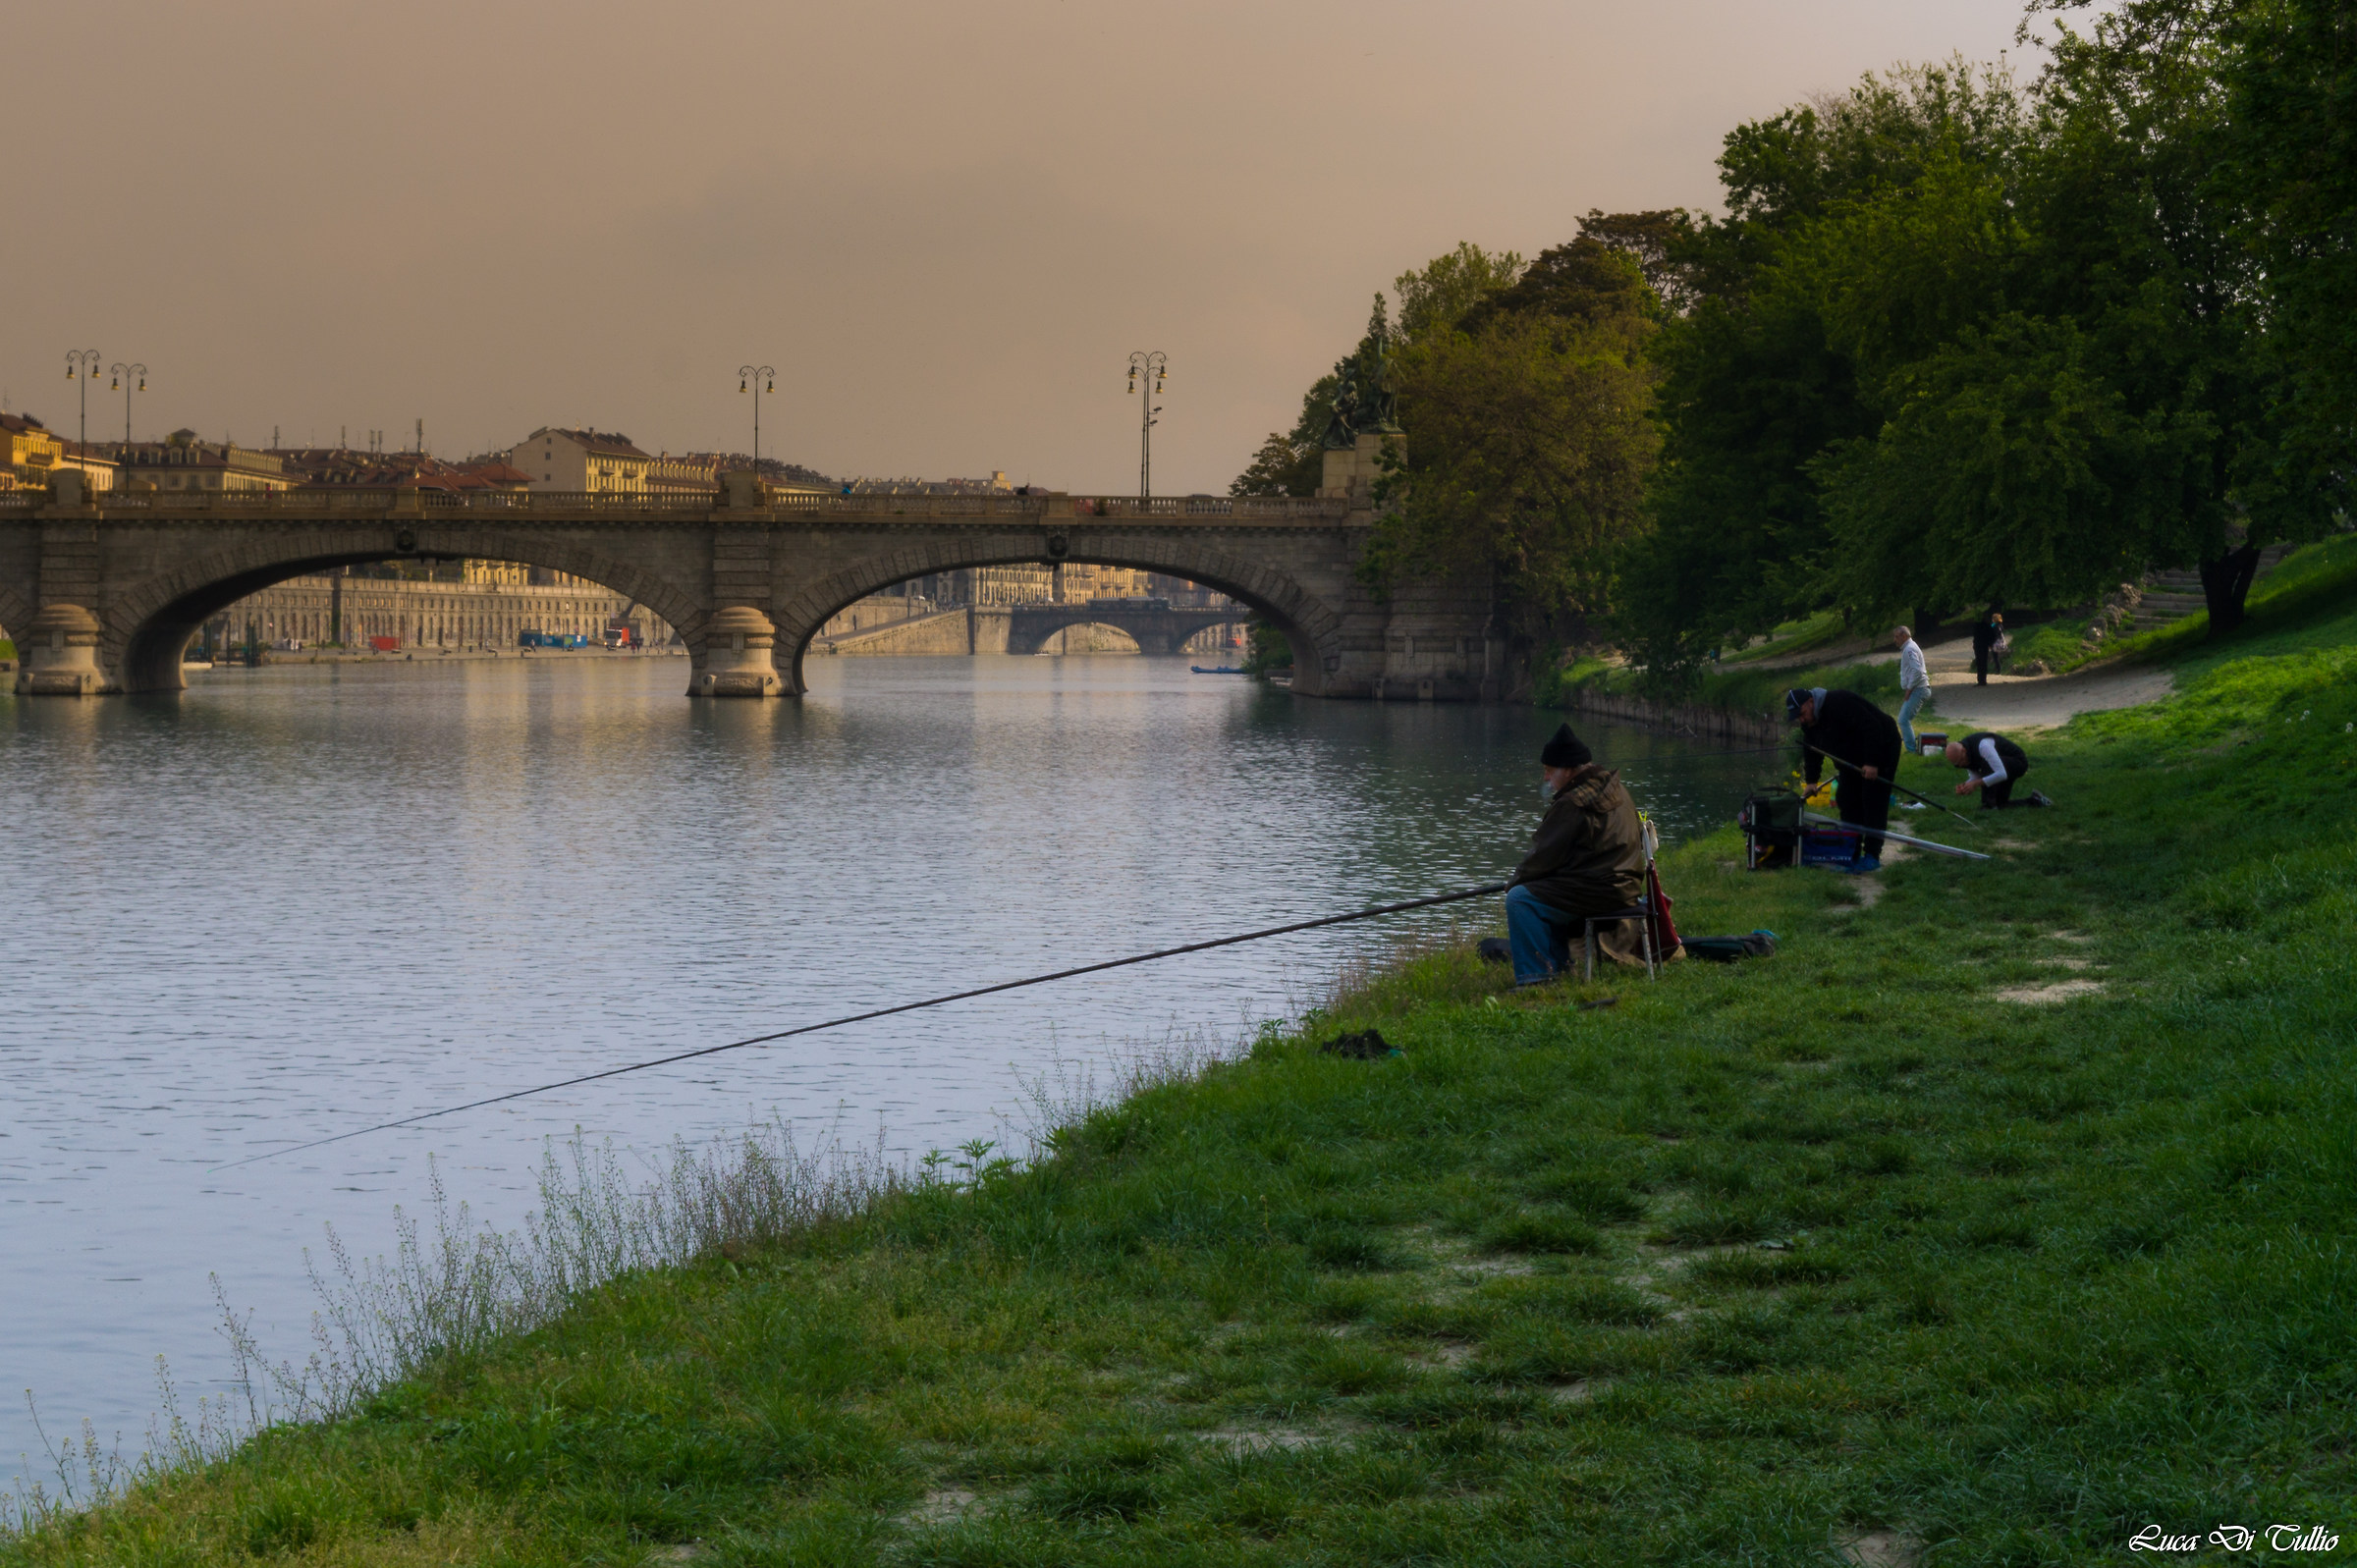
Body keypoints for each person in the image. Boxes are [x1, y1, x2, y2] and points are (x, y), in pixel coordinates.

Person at [1503, 724, 1648, 986]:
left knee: (1520, 899)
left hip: (1600, 891)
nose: (1546, 778)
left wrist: (1514, 882)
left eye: (1549, 771)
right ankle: (1559, 968)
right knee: (1546, 890)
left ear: (1568, 770)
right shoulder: (1616, 788)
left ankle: (1535, 978)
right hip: (1627, 888)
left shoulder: (1573, 803)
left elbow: (1540, 857)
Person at [1786, 686, 1902, 873]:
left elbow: (1872, 727)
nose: (1801, 719)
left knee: (1872, 799)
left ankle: (1872, 854)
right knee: (1847, 799)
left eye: (1802, 714)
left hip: (1883, 745)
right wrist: (1811, 781)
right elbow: (1812, 750)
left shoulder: (1840, 702)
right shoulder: (1809, 723)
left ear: (1810, 702)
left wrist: (1872, 763)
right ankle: (1851, 851)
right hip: (1850, 758)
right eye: (1797, 717)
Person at [1946, 731, 2051, 808]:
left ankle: (1988, 804)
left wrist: (1976, 784)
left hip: (2017, 762)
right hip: (2001, 766)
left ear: (1963, 750)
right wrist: (1966, 786)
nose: (1962, 765)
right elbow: (1975, 776)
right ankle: (2035, 801)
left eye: (1961, 761)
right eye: (1957, 765)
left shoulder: (1983, 746)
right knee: (2001, 804)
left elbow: (2001, 774)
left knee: (1987, 764)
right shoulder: (1965, 755)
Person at [1893, 624, 1931, 754]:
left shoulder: (1909, 650)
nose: (1895, 640)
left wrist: (1909, 689)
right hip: (1918, 688)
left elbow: (1917, 671)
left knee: (1903, 719)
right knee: (1903, 719)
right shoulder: (1909, 648)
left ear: (1904, 636)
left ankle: (1911, 750)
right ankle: (1911, 749)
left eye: (1897, 636)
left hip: (1918, 689)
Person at [1971, 606, 2005, 686]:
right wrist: (1989, 643)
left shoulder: (1977, 626)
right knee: (1983, 662)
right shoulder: (1987, 626)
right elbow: (1992, 636)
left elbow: (1975, 636)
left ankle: (1981, 679)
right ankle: (1983, 679)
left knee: (1979, 662)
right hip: (1984, 645)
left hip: (1978, 645)